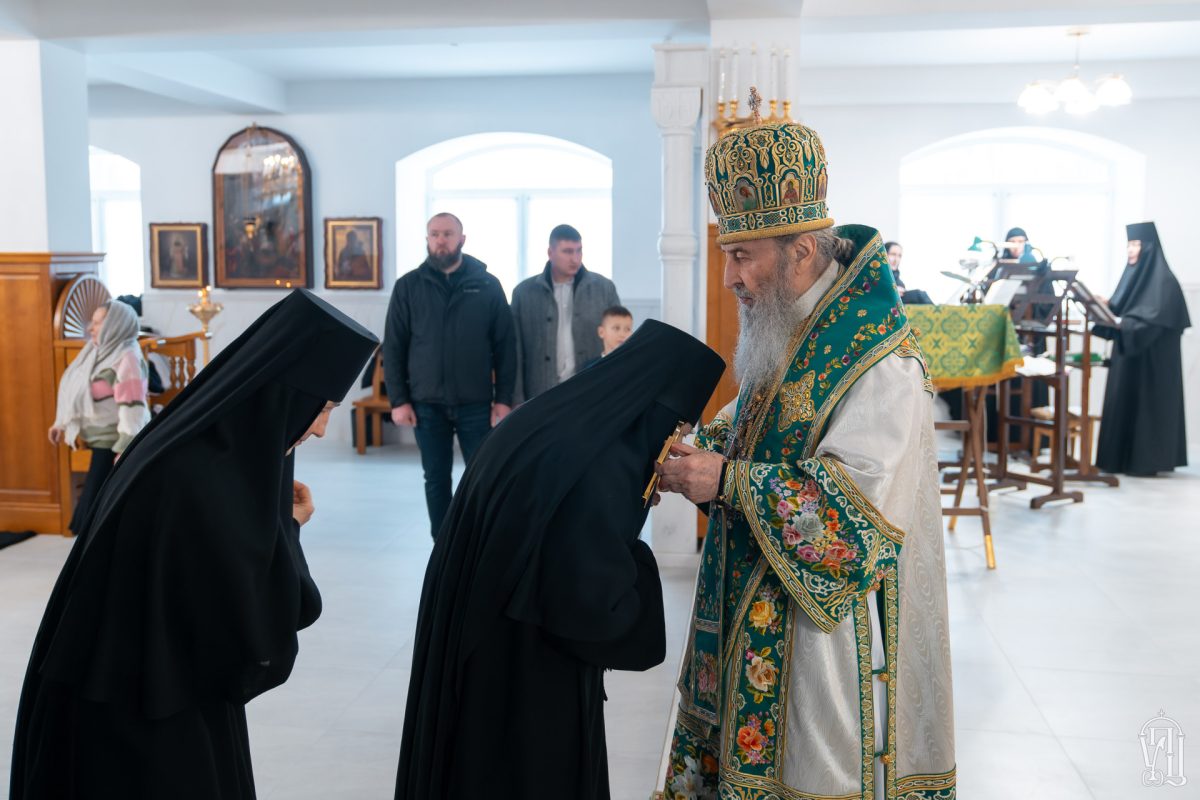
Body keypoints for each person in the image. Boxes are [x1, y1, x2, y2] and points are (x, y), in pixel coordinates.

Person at [654, 118, 955, 798]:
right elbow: (755, 419)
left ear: (802, 250)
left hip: (821, 645)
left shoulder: (879, 361)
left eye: (742, 255)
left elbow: (857, 519)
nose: (729, 277)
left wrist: (727, 482)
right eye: (727, 255)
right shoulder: (793, 319)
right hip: (748, 607)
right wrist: (701, 449)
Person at [11, 290, 378, 800]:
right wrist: (289, 530)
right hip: (140, 719)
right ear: (285, 396)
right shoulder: (195, 483)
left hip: (153, 689)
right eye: (323, 409)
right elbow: (250, 624)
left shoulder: (192, 451)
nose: (319, 429)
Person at [395, 320, 725, 800]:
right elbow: (596, 613)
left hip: (481, 650)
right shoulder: (602, 468)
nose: (672, 445)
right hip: (526, 680)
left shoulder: (549, 424)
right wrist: (637, 559)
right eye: (678, 430)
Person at [384, 212, 516, 538]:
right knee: (436, 478)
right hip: (426, 403)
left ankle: (477, 542)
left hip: (476, 402)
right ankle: (443, 545)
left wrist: (504, 399)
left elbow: (505, 346)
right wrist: (399, 400)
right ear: (427, 240)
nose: (441, 240)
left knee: (482, 476)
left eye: (447, 233)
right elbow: (395, 347)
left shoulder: (487, 284)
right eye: (434, 234)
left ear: (462, 239)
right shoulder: (408, 286)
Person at [1094, 221, 1190, 475]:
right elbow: (1123, 308)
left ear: (1149, 247)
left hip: (1152, 363)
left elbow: (1153, 319)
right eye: (1128, 244)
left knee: (1146, 410)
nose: (1130, 250)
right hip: (1128, 355)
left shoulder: (1166, 282)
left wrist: (1123, 323)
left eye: (1136, 244)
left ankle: (1146, 462)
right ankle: (1118, 460)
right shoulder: (1133, 277)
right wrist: (1106, 307)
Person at [48, 299, 150, 539]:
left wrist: (124, 449)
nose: (89, 328)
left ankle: (92, 543)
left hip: (114, 440)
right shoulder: (97, 351)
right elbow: (72, 390)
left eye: (96, 323)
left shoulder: (127, 358)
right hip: (95, 436)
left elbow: (133, 409)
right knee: (92, 509)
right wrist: (61, 423)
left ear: (114, 325)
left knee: (92, 509)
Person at [511, 224, 620, 402]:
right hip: (540, 392)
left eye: (579, 251)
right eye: (567, 251)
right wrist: (517, 399)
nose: (575, 258)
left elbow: (618, 343)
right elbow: (516, 350)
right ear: (550, 252)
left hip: (592, 390)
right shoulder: (524, 293)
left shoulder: (604, 288)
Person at [580, 304, 634, 370]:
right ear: (601, 332)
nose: (622, 334)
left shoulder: (636, 366)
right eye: (616, 328)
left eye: (627, 329)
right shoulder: (588, 368)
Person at [884, 240, 933, 305]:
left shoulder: (900, 283)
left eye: (899, 256)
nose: (896, 259)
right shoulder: (875, 276)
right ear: (883, 255)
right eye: (893, 254)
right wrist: (890, 291)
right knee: (918, 294)